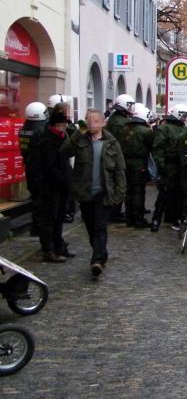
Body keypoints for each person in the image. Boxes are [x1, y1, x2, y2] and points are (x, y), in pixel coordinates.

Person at [61, 109, 127, 276]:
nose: (92, 124)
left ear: (103, 123)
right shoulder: (80, 140)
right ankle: (101, 254)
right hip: (85, 192)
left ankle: (96, 260)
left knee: (99, 226)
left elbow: (119, 169)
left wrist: (120, 193)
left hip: (104, 192)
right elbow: (64, 152)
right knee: (91, 227)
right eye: (89, 121)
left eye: (96, 121)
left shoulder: (112, 143)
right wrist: (77, 134)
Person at [30, 105, 72, 262]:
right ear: (56, 125)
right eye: (62, 125)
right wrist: (62, 179)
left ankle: (59, 245)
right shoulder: (48, 140)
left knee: (59, 217)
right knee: (50, 218)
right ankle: (48, 249)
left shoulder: (62, 137)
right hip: (49, 186)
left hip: (61, 184)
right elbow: (49, 165)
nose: (64, 127)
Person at [150, 104, 187, 231]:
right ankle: (156, 219)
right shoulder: (164, 129)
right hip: (169, 165)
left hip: (180, 166)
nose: (185, 118)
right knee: (164, 194)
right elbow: (158, 149)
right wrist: (162, 166)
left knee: (178, 195)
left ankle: (174, 218)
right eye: (183, 115)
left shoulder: (184, 129)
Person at [119, 103, 154, 228]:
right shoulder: (145, 131)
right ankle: (138, 219)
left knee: (129, 191)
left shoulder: (125, 128)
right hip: (139, 164)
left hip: (126, 162)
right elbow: (151, 146)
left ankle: (129, 217)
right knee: (138, 192)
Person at [19, 102, 49, 237]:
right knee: (41, 199)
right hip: (40, 169)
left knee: (35, 197)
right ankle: (38, 227)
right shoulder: (41, 131)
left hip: (29, 167)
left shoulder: (23, 129)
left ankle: (36, 225)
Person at [105, 94, 134, 222]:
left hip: (112, 154)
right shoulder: (122, 123)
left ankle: (114, 211)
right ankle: (114, 213)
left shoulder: (114, 118)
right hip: (118, 156)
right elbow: (125, 142)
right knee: (120, 184)